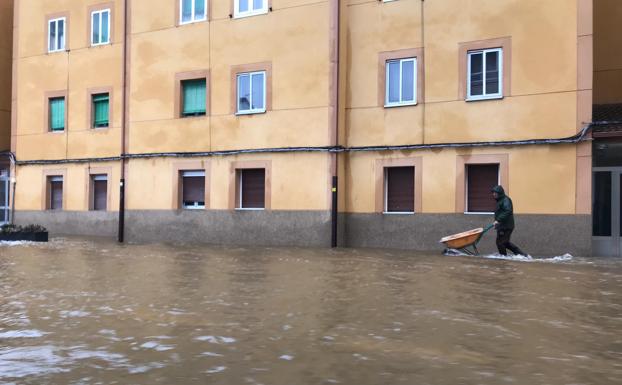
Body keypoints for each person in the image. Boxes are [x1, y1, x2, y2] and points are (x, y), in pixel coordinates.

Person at [492, 185, 527, 256]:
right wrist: (497, 223)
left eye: (496, 193)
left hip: (506, 226)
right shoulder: (500, 201)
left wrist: (498, 220)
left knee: (501, 242)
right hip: (502, 226)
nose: (494, 194)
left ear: (500, 193)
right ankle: (521, 255)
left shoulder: (505, 200)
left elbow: (508, 211)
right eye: (493, 193)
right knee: (504, 242)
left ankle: (505, 257)